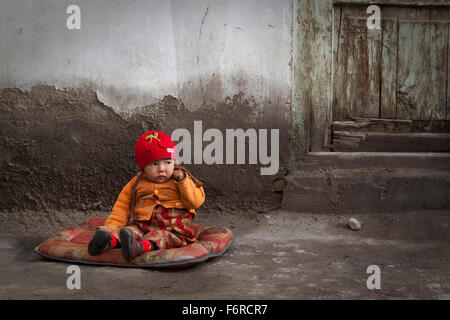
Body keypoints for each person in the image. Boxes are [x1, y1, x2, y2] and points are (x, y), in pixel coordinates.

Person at [88, 130, 205, 261]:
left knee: (160, 236)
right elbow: (122, 208)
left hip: (174, 231)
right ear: (143, 167)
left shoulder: (181, 179)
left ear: (175, 162)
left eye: (167, 162)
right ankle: (107, 241)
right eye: (154, 164)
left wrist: (183, 182)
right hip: (143, 226)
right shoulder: (137, 183)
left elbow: (195, 202)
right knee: (129, 231)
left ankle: (138, 247)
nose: (162, 169)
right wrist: (109, 228)